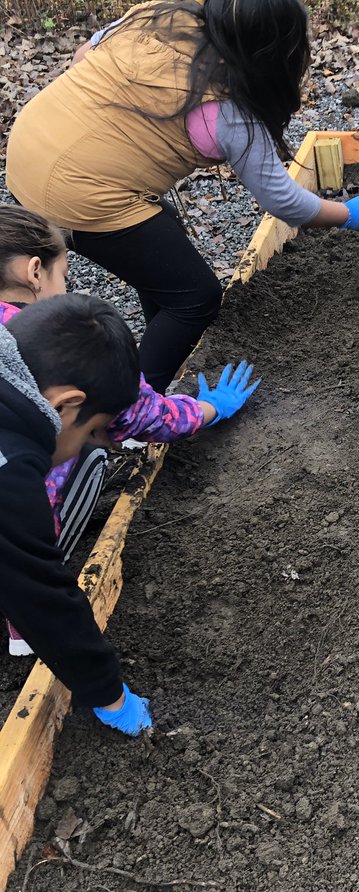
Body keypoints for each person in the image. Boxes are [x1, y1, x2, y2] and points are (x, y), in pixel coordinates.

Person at [5, 0, 359, 392]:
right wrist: (345, 214)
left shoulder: (157, 17)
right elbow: (283, 201)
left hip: (28, 144)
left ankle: (164, 343)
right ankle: (132, 407)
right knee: (196, 298)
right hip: (72, 191)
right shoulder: (231, 108)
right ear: (274, 52)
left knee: (162, 239)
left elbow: (82, 58)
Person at [0, 203, 259, 657]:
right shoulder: (64, 348)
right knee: (87, 456)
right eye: (64, 276)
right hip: (16, 520)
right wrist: (209, 409)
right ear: (34, 271)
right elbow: (144, 416)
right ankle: (23, 633)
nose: (65, 288)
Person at [0, 294, 152, 735]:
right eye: (91, 429)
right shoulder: (8, 470)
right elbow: (41, 599)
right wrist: (108, 694)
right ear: (66, 404)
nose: (94, 440)